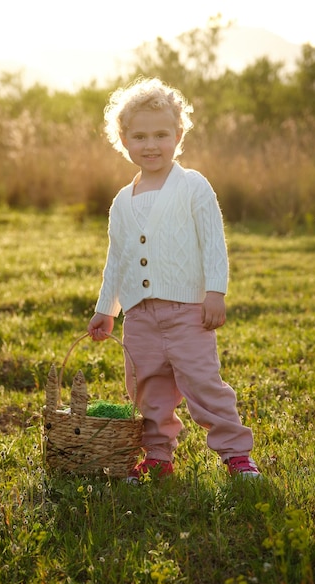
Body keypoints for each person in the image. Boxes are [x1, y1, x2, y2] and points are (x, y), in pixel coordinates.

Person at [87, 77, 260, 481]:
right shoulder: (120, 202)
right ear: (124, 140)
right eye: (140, 136)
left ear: (178, 135)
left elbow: (213, 242)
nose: (151, 145)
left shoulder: (192, 185)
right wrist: (105, 310)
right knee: (146, 389)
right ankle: (158, 455)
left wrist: (215, 292)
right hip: (140, 317)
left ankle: (236, 454)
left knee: (203, 384)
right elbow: (117, 260)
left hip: (188, 312)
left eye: (161, 134)